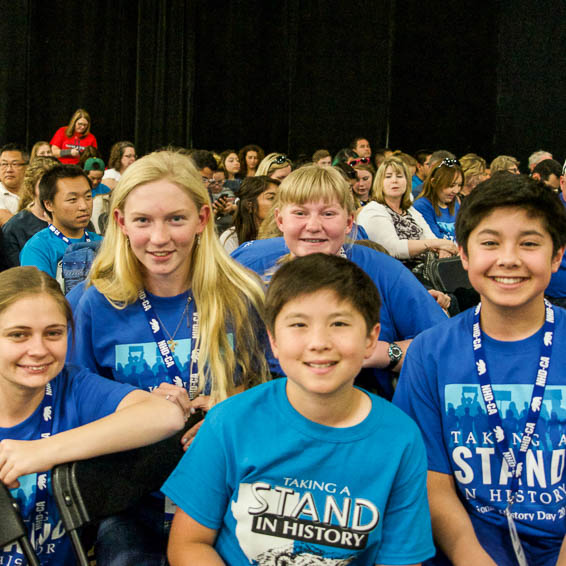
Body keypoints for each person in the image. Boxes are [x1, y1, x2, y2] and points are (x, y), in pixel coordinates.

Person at [163, 253, 434, 566]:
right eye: (299, 325)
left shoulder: (400, 439)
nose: (318, 342)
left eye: (340, 323)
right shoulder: (230, 421)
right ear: (274, 340)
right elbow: (189, 544)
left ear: (371, 339)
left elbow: (401, 560)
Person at [69, 150, 269, 565]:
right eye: (143, 220)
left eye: (175, 219)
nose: (159, 238)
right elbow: (76, 407)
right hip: (132, 499)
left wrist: (232, 403)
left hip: (229, 495)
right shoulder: (95, 303)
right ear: (121, 222)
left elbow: (284, 388)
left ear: (202, 218)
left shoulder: (244, 295)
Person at [394, 173, 566, 565]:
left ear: (556, 256)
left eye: (529, 244)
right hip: (465, 549)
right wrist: (469, 554)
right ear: (464, 255)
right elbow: (431, 481)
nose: (508, 258)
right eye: (490, 243)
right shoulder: (430, 353)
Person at [0, 265, 186, 566]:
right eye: (18, 335)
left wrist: (42, 451)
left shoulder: (72, 387)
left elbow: (166, 415)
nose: (38, 349)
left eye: (54, 333)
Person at [232, 164, 446, 398]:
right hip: (270, 410)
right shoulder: (251, 266)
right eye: (300, 213)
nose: (313, 226)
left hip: (362, 410)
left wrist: (383, 352)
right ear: (280, 220)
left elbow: (443, 348)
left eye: (328, 213)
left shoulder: (382, 270)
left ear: (349, 222)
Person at [357, 156, 458, 261]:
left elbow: (431, 237)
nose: (394, 180)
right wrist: (434, 244)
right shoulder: (373, 210)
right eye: (388, 176)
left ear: (407, 182)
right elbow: (393, 249)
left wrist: (442, 248)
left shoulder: (409, 210)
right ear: (379, 182)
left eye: (400, 176)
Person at [20, 164, 101, 282]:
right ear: (49, 204)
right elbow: (40, 296)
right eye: (72, 199)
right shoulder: (37, 249)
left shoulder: (102, 242)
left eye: (88, 197)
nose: (84, 206)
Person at [2, 156, 57, 267]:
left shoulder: (73, 220)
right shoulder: (14, 228)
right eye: (44, 186)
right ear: (31, 190)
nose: (50, 192)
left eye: (55, 186)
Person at [219, 176, 280, 253]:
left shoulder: (284, 234)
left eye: (280, 198)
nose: (279, 203)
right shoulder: (231, 238)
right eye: (271, 198)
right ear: (249, 205)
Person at [413, 157, 463, 241]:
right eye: (451, 186)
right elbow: (435, 240)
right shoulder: (421, 206)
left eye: (459, 185)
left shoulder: (454, 203)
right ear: (434, 182)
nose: (456, 191)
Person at [0, 143, 28, 226]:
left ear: (27, 167)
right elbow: (8, 222)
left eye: (15, 164)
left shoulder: (34, 192)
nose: (9, 170)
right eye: (4, 164)